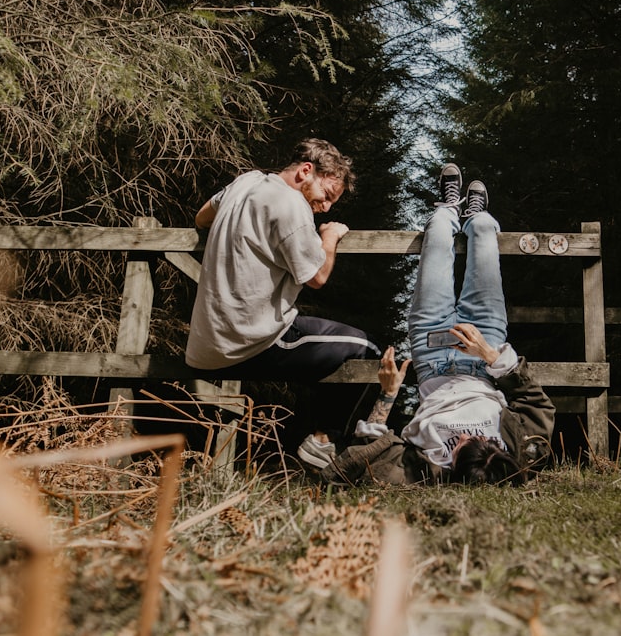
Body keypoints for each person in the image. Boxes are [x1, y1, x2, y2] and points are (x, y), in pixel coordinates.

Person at [300, 163, 556, 485]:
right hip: (483, 348)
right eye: (484, 442)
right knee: (484, 232)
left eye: (459, 447)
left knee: (436, 231)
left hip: (431, 350)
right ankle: (476, 215)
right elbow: (537, 404)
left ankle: (449, 209)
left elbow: (363, 457)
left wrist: (388, 395)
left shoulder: (422, 471)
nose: (466, 437)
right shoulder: (522, 453)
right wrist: (492, 357)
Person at [185, 138, 381, 448]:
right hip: (253, 343)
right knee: (365, 348)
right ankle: (324, 442)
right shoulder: (292, 204)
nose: (326, 207)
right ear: (306, 171)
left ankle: (309, 443)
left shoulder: (246, 181)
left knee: (327, 346)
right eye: (327, 195)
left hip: (205, 346)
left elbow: (201, 218)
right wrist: (329, 236)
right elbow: (317, 277)